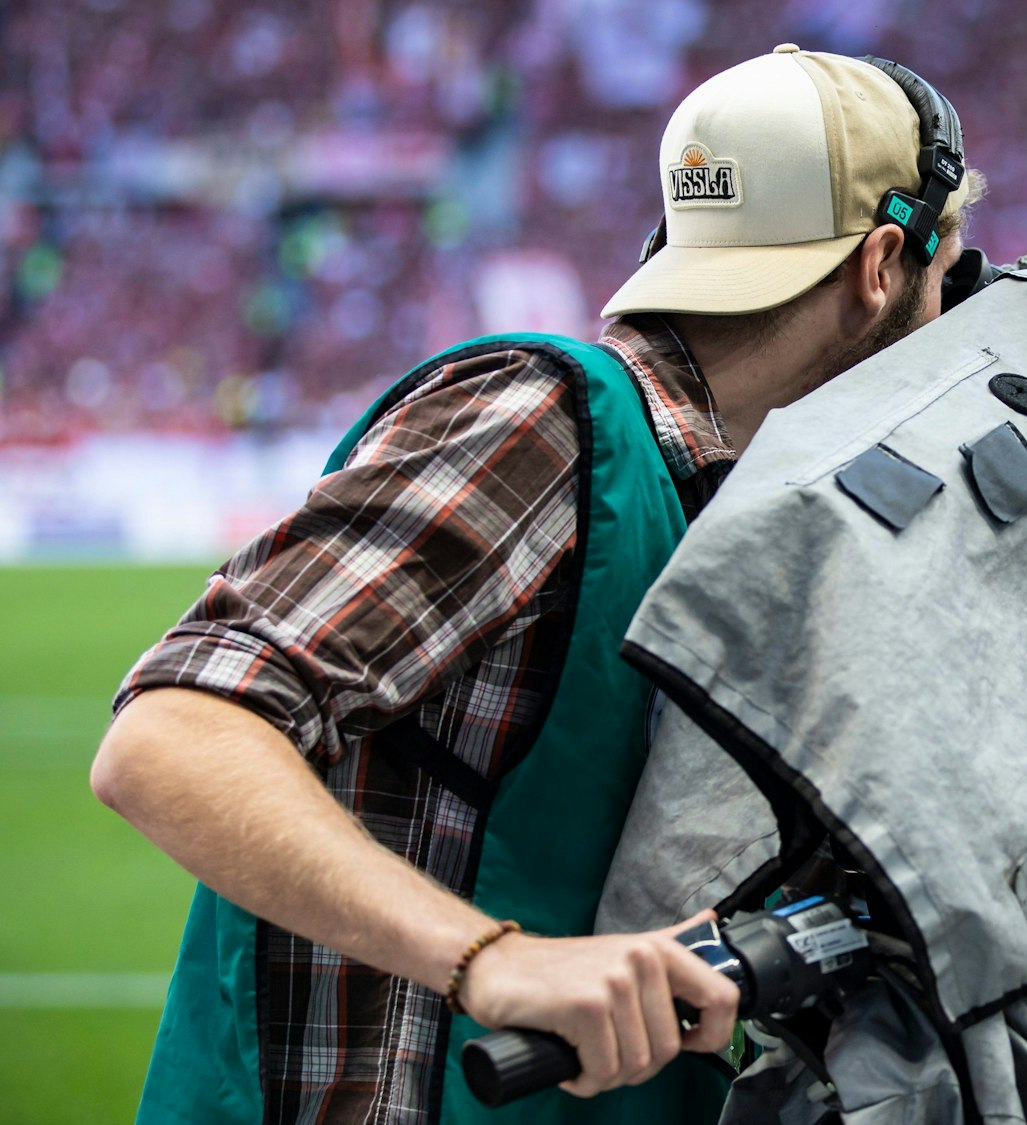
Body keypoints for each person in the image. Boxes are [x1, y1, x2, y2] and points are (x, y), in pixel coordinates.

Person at [90, 45, 980, 1124]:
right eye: (946, 278)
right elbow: (173, 731)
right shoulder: (548, 422)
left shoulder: (714, 504)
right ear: (884, 263)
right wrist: (492, 964)